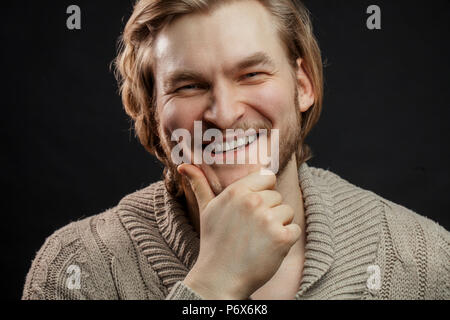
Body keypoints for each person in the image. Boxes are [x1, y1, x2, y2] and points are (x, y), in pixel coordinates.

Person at [22, 0, 449, 300]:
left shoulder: (426, 262)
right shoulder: (76, 271)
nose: (224, 115)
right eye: (189, 85)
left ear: (303, 86)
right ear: (152, 112)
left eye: (251, 74)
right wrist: (212, 286)